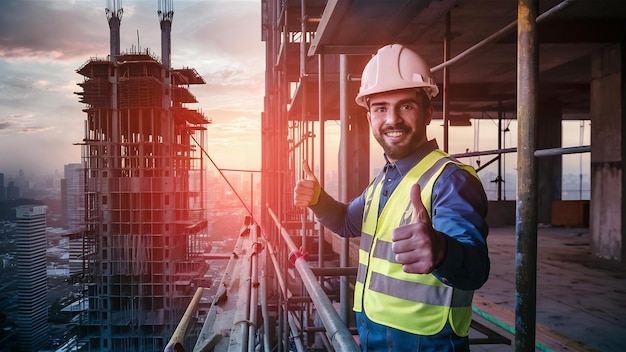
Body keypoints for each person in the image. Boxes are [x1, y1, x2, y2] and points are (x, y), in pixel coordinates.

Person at [293, 44, 490, 351]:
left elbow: (476, 267)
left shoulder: (449, 179)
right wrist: (319, 199)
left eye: (406, 106)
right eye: (381, 108)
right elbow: (347, 222)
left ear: (427, 113)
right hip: (377, 335)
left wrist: (441, 250)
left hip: (427, 342)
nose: (392, 119)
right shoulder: (386, 179)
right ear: (369, 115)